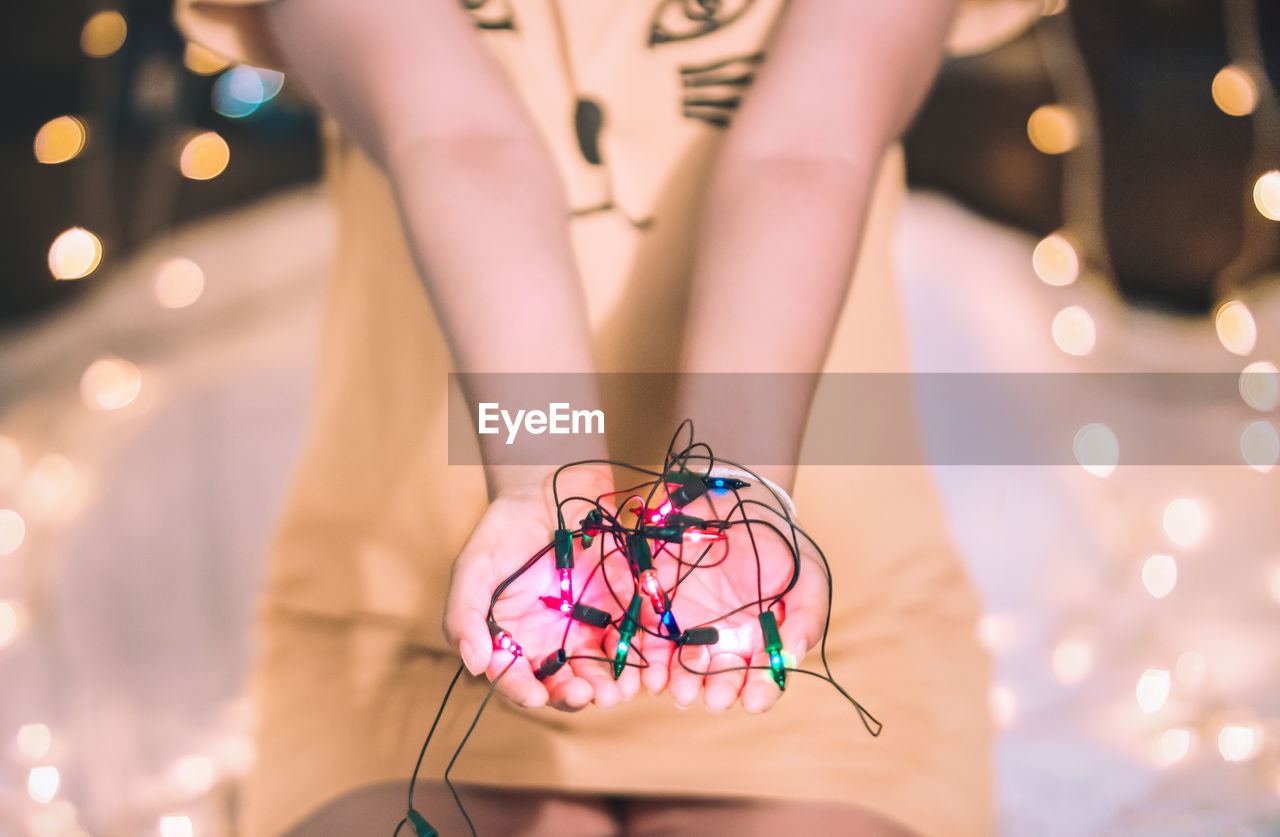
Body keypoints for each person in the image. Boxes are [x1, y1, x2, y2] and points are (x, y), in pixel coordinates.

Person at [174, 0, 1040, 834]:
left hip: (803, 630)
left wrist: (732, 493)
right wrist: (552, 484)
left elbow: (807, 151)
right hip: (413, 634)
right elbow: (455, 137)